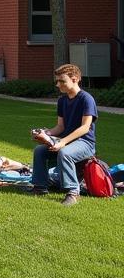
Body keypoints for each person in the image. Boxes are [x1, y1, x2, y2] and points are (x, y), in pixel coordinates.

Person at [30, 62, 98, 207]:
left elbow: (85, 128)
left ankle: (73, 193)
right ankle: (40, 187)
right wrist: (46, 133)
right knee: (40, 151)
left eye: (62, 81)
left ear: (75, 79)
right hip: (66, 140)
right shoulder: (62, 100)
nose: (58, 84)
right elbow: (60, 127)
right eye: (57, 81)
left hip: (85, 143)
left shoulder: (86, 99)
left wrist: (62, 142)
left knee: (65, 153)